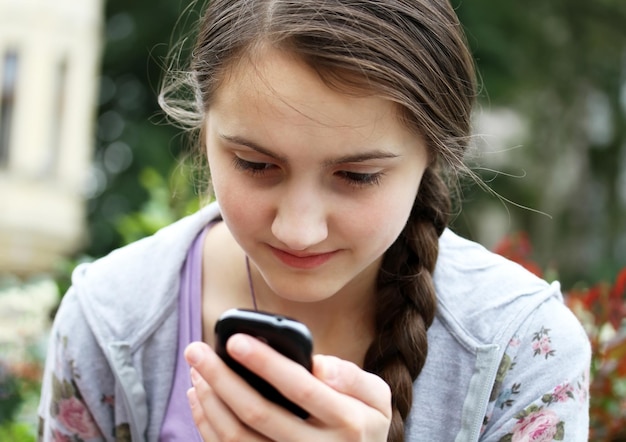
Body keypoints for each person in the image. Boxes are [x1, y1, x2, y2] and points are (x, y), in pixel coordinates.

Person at [38, 0, 591, 440]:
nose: (297, 230)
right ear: (203, 131)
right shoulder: (112, 325)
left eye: (357, 176)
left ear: (434, 154)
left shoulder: (520, 351)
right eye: (256, 165)